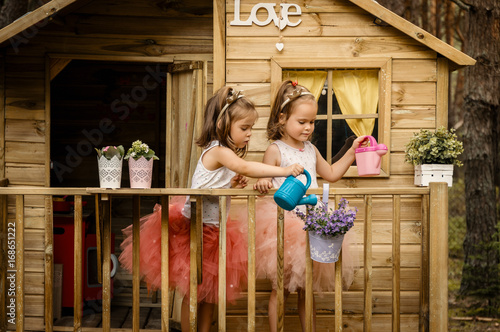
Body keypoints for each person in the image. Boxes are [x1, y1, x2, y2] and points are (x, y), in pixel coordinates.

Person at [118, 87, 304, 332]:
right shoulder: (218, 150)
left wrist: (231, 184)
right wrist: (284, 170)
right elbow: (246, 168)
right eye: (244, 128)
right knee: (195, 290)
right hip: (195, 230)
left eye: (251, 128)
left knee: (209, 292)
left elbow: (223, 181)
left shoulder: (225, 154)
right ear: (223, 125)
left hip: (213, 231)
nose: (249, 134)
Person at [253, 80, 366, 332]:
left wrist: (352, 152)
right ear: (282, 119)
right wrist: (262, 181)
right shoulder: (275, 150)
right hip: (284, 227)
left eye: (312, 122)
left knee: (307, 290)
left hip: (312, 225)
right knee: (279, 288)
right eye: (302, 122)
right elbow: (264, 176)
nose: (308, 127)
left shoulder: (312, 150)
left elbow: (332, 173)